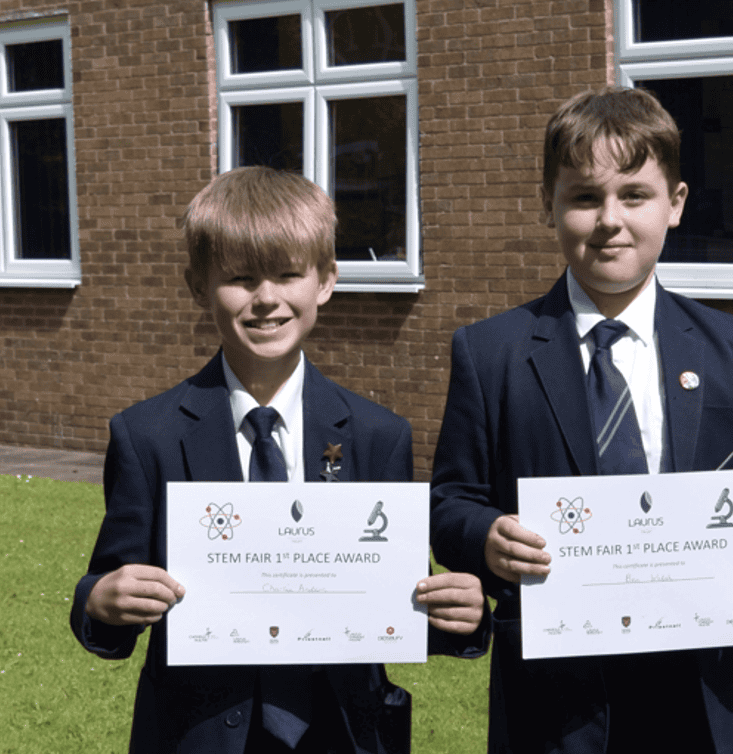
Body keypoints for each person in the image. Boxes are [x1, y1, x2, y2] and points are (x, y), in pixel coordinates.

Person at [430, 87, 733, 754]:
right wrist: (485, 536)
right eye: (585, 197)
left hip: (707, 696)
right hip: (556, 708)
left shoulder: (732, 348)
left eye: (634, 194)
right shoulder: (490, 352)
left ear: (676, 204)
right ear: (549, 205)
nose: (611, 219)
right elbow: (450, 502)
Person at [71, 166, 487, 754]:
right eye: (240, 278)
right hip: (199, 731)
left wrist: (459, 613)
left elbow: (392, 595)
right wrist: (101, 600)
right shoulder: (148, 436)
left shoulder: (377, 435)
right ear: (197, 286)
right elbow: (109, 589)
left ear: (325, 281)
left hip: (340, 728)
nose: (266, 298)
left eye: (289, 274)